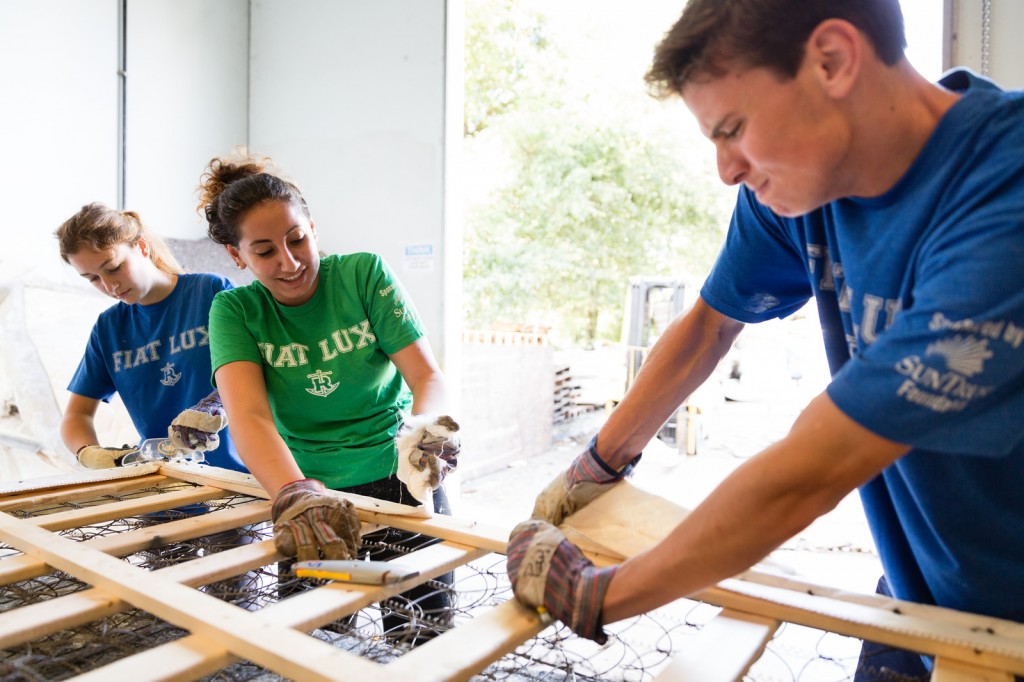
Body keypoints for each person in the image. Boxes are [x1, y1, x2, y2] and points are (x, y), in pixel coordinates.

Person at [505, 1, 1024, 680]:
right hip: (919, 591)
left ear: (832, 61)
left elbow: (816, 469)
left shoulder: (1005, 192)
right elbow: (711, 324)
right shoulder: (803, 189)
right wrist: (597, 467)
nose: (726, 170)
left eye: (733, 130)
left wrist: (598, 596)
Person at [198, 151, 460, 643]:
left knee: (422, 641)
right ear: (237, 256)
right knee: (315, 648)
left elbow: (427, 376)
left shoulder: (363, 274)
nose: (290, 261)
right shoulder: (234, 310)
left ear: (313, 229)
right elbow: (249, 416)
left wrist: (427, 431)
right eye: (265, 251)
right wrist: (294, 495)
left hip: (401, 479)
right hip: (310, 494)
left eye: (297, 239)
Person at [56, 202, 246, 474]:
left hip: (239, 475)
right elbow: (77, 415)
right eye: (92, 279)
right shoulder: (109, 328)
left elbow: (259, 370)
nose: (109, 286)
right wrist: (89, 453)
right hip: (162, 479)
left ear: (142, 247)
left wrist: (215, 404)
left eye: (113, 267)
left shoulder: (211, 291)